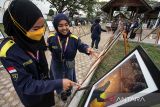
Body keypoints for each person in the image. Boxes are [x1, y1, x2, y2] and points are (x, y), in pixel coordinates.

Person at [0, 0, 77, 107]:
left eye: (42, 27)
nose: (41, 32)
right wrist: (58, 83)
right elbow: (26, 85)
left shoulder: (35, 39)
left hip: (47, 89)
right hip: (33, 97)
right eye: (36, 28)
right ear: (19, 27)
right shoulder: (8, 53)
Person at [47, 13, 96, 101]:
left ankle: (68, 92)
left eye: (66, 25)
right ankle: (60, 93)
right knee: (58, 79)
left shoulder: (74, 38)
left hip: (69, 63)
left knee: (69, 77)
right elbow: (49, 47)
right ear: (56, 26)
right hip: (56, 63)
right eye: (60, 25)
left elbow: (81, 46)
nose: (64, 28)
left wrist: (87, 49)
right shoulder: (51, 38)